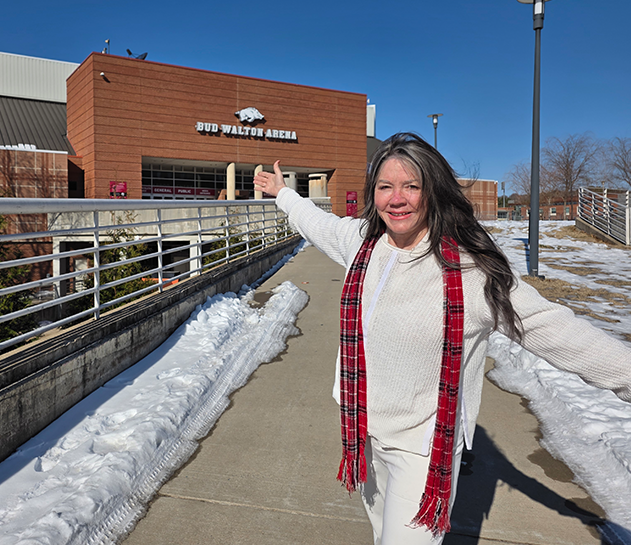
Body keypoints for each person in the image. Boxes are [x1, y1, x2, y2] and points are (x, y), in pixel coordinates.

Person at [252, 132, 631, 545]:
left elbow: (557, 330)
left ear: (434, 191)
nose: (396, 199)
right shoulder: (362, 242)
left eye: (411, 186)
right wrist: (283, 194)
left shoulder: (473, 272)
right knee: (381, 534)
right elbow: (317, 222)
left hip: (423, 449)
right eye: (385, 187)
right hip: (362, 433)